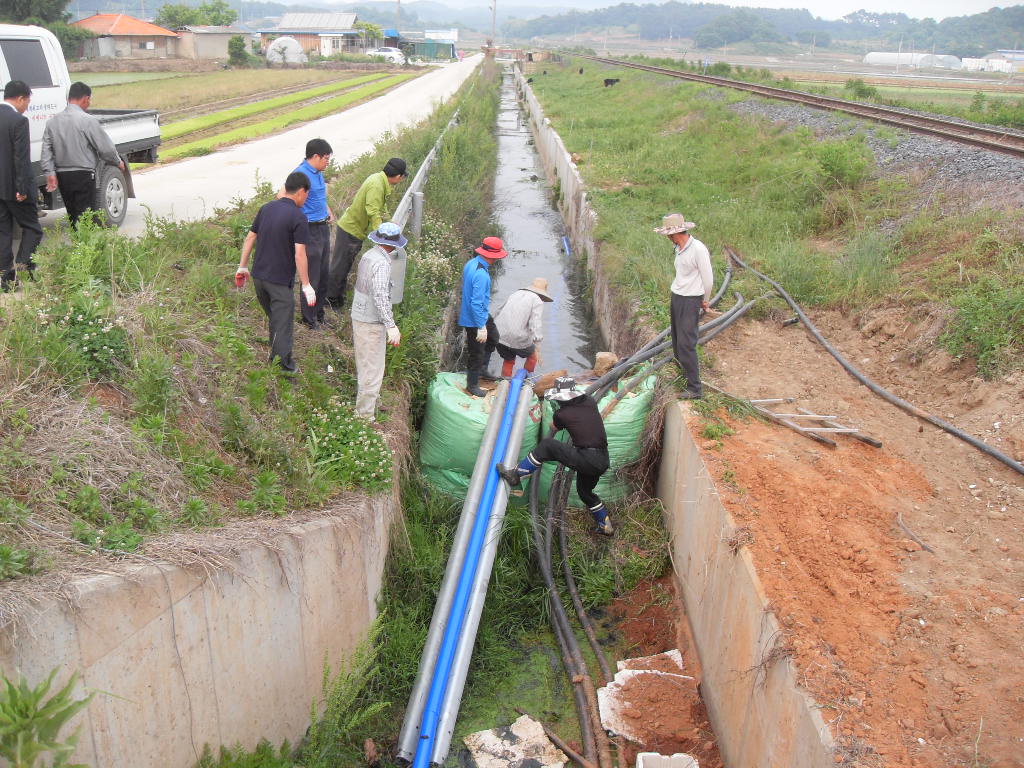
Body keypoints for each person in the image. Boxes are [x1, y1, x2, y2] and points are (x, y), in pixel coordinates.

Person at [497, 377, 613, 536]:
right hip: (602, 459)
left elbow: (553, 427)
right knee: (585, 493)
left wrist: (555, 413)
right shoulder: (590, 401)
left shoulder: (561, 414)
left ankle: (516, 475)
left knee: (547, 445)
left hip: (586, 458)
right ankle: (605, 526)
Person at [235, 172, 315, 374]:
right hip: (278, 281)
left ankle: (275, 358)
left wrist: (242, 267)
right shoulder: (298, 216)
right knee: (283, 324)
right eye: (307, 195)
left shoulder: (267, 208)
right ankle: (284, 369)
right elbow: (300, 254)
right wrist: (306, 285)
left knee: (276, 319)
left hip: (259, 277)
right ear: (301, 192)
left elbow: (250, 237)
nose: (306, 199)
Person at [325, 157, 408, 311]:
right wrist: (382, 237)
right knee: (340, 267)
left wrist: (390, 222)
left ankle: (337, 299)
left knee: (344, 265)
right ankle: (330, 301)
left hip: (354, 229)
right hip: (351, 230)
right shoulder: (377, 185)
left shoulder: (379, 180)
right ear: (398, 176)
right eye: (402, 177)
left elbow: (381, 208)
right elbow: (373, 212)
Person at [40, 81, 124, 229]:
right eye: (89, 100)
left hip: (63, 175)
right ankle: (85, 248)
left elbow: (46, 152)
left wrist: (50, 172)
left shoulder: (52, 122)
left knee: (73, 214)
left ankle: (78, 247)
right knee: (86, 215)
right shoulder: (88, 120)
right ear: (85, 98)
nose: (89, 104)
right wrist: (117, 161)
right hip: (83, 174)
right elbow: (105, 148)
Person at [350, 222, 406, 420]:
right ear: (394, 244)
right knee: (372, 371)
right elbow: (380, 295)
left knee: (366, 365)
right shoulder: (382, 263)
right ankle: (364, 417)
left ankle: (372, 403)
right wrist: (391, 325)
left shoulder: (369, 255)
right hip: (371, 323)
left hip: (360, 316)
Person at [655, 212, 713, 399]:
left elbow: (708, 279)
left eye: (668, 235)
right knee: (677, 338)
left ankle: (695, 388)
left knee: (687, 343)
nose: (668, 239)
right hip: (678, 296)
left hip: (690, 300)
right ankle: (683, 373)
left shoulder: (698, 249)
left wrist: (706, 299)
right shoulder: (679, 248)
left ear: (675, 234)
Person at [0, 80, 42, 292]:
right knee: (33, 228)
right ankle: (23, 266)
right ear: (20, 98)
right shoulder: (18, 121)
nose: (27, 106)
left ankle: (6, 281)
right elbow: (21, 159)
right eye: (27, 101)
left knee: (3, 233)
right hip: (14, 189)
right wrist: (22, 189)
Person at [290, 138, 335, 330]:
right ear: (315, 156)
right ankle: (309, 320)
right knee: (312, 276)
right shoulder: (300, 174)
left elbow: (317, 197)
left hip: (322, 227)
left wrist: (327, 210)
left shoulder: (317, 173)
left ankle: (319, 314)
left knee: (324, 274)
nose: (328, 161)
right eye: (326, 158)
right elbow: (285, 199)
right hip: (309, 230)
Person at [459, 236, 506, 397]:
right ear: (493, 255)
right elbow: (476, 303)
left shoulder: (473, 264)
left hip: (480, 314)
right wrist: (481, 326)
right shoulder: (481, 274)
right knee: (476, 352)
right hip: (475, 318)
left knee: (493, 338)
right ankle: (472, 384)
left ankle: (483, 370)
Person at [492, 277, 553, 377]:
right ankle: (525, 380)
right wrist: (537, 345)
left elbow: (498, 311)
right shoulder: (537, 300)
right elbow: (535, 324)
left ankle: (504, 382)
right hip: (516, 337)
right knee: (533, 357)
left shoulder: (515, 293)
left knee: (509, 360)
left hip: (499, 334)